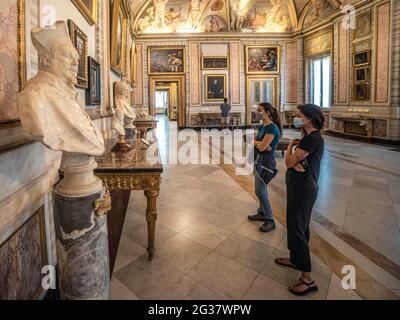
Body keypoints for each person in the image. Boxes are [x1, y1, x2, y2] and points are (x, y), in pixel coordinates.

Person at [275, 104, 325, 296]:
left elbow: (288, 162)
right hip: (300, 185)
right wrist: (295, 163)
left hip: (303, 188)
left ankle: (307, 278)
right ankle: (296, 259)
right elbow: (296, 164)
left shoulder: (312, 139)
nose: (295, 118)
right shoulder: (307, 138)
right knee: (298, 225)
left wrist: (289, 148)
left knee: (297, 228)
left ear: (309, 118)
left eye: (299, 115)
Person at [248, 103, 282, 233]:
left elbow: (262, 147)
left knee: (260, 191)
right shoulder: (263, 126)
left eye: (259, 110)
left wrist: (258, 144)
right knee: (261, 189)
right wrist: (258, 143)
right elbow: (254, 141)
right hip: (258, 159)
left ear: (267, 113)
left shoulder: (272, 128)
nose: (257, 112)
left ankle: (270, 219)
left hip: (266, 163)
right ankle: (262, 213)